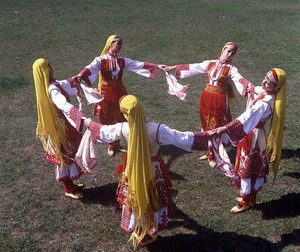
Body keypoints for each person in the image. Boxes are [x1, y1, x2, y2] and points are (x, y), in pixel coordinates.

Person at [83, 95, 211, 249]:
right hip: (153, 169)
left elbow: (102, 132)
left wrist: (88, 122)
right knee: (153, 198)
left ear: (125, 113)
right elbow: (183, 139)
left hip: (133, 169)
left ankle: (139, 229)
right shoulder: (157, 129)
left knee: (135, 197)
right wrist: (212, 136)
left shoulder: (123, 128)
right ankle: (147, 231)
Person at [161, 42, 253, 167]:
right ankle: (210, 150)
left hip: (219, 101)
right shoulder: (209, 63)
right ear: (223, 50)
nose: (230, 54)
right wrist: (174, 68)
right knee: (205, 124)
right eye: (228, 51)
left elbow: (239, 79)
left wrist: (249, 86)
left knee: (215, 126)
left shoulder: (231, 69)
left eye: (233, 53)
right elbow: (193, 67)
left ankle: (214, 154)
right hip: (206, 98)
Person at [75, 35, 164, 157]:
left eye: (121, 44)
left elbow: (138, 64)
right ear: (111, 44)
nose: (120, 46)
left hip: (119, 91)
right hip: (106, 93)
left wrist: (157, 66)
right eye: (118, 44)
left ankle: (119, 143)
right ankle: (111, 144)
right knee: (107, 118)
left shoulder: (122, 61)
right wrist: (81, 75)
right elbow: (90, 68)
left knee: (121, 116)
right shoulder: (101, 60)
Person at [212, 68, 286, 213]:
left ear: (276, 87)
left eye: (269, 82)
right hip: (255, 134)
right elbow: (249, 86)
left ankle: (246, 201)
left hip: (253, 135)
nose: (264, 82)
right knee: (251, 166)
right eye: (265, 78)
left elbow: (248, 117)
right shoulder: (266, 94)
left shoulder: (265, 104)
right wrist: (234, 75)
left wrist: (225, 128)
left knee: (248, 167)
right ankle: (251, 198)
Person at [33, 58, 87, 199]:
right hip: (61, 128)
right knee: (65, 156)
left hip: (62, 125)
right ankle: (68, 188)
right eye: (48, 66)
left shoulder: (49, 85)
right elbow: (63, 104)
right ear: (46, 70)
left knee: (67, 155)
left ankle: (70, 185)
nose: (51, 68)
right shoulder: (52, 89)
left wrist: (75, 79)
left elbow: (64, 83)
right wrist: (77, 115)